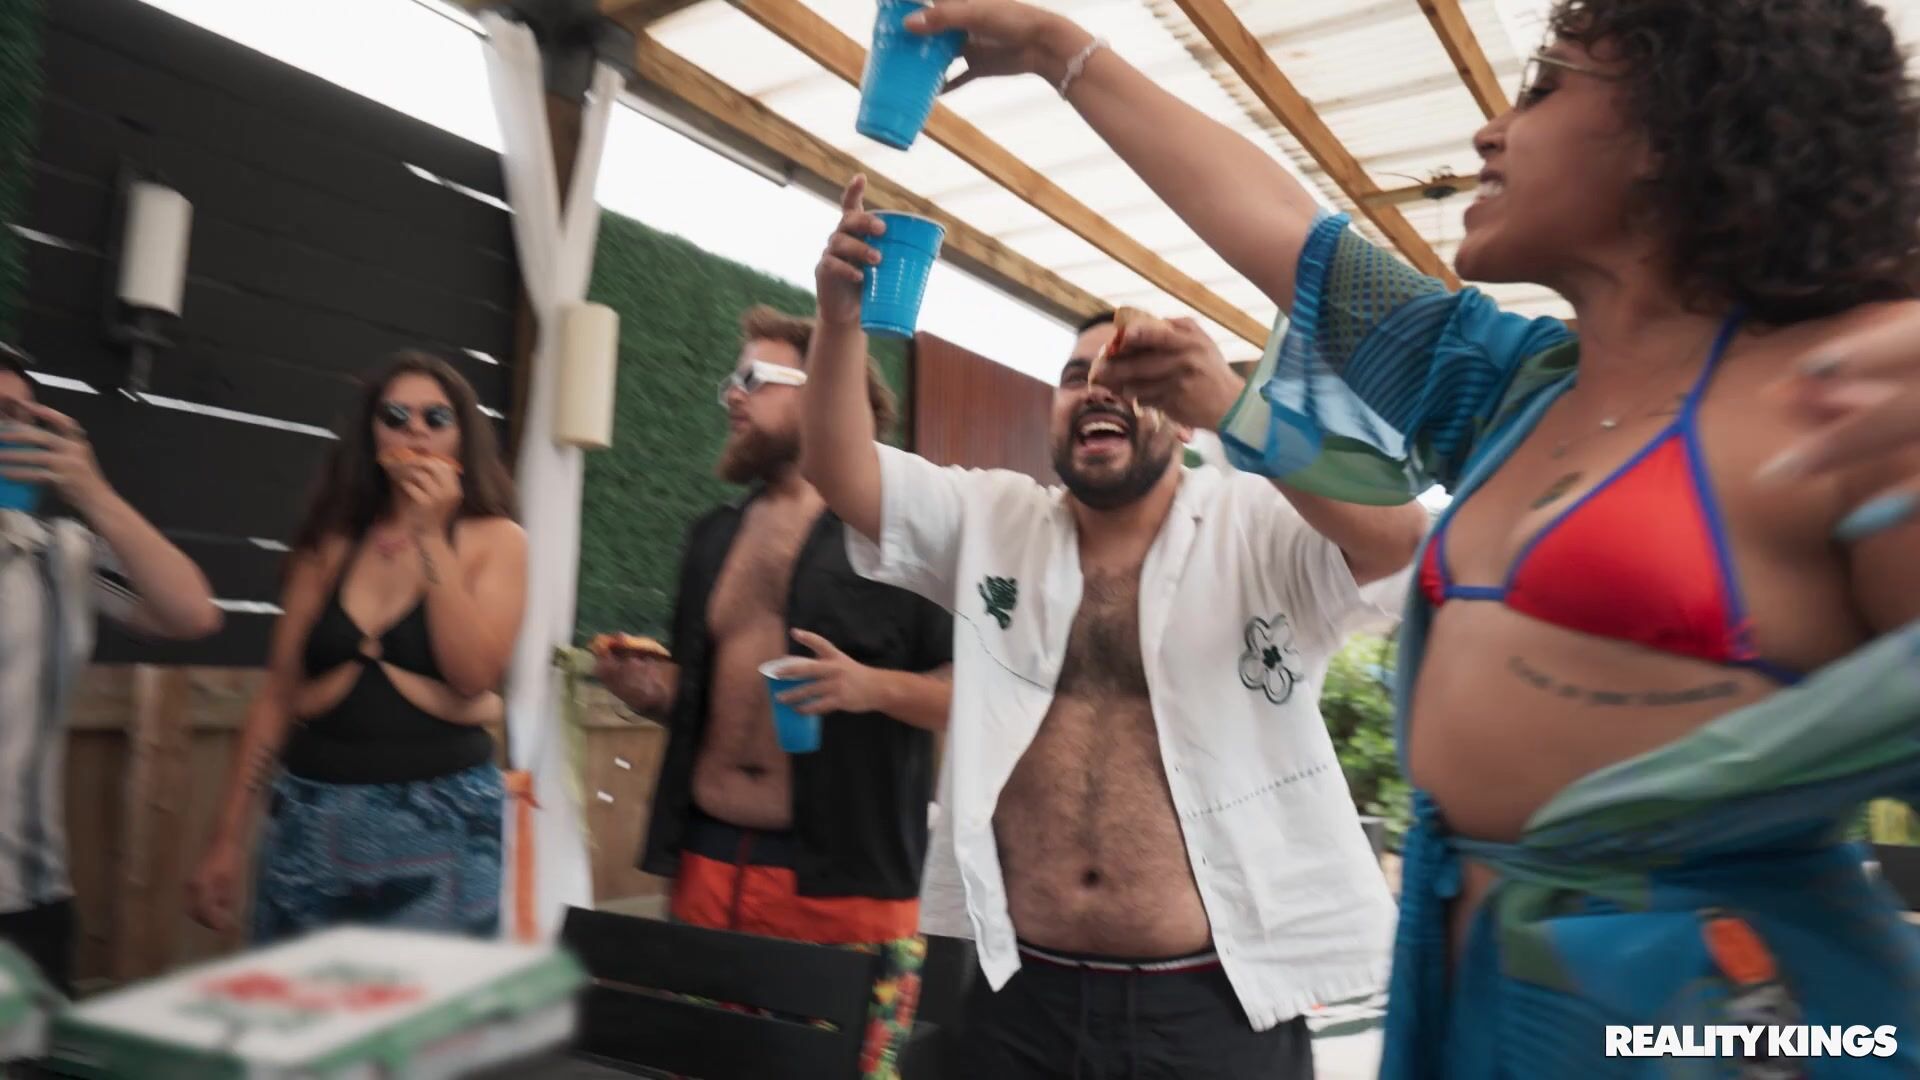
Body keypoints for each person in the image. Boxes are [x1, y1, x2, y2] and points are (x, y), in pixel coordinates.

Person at [895, 0, 1920, 1073]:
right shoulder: (1509, 390)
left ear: (1679, 129)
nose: (1489, 132)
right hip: (1468, 1015)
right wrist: (1058, 48)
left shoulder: (1846, 402)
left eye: (1545, 87)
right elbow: (1292, 234)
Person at [806, 178, 1429, 1077]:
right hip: (1021, 995)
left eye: (1129, 378)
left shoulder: (1259, 525)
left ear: (1182, 419)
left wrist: (1237, 407)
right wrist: (837, 323)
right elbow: (844, 474)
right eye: (1075, 378)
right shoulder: (995, 519)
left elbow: (1399, 540)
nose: (1097, 389)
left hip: (1210, 1007)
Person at [599, 305, 954, 1080]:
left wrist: (872, 687)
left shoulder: (907, 537)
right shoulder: (713, 537)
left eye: (754, 379)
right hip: (708, 868)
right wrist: (652, 692)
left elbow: (971, 692)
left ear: (828, 389)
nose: (732, 395)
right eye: (733, 380)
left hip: (845, 887)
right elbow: (705, 693)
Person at [188, 351, 526, 944]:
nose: (415, 430)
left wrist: (430, 533)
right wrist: (227, 838)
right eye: (395, 416)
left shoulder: (497, 540)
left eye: (436, 417)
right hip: (311, 813)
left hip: (442, 818)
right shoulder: (331, 544)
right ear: (372, 435)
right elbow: (279, 694)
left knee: (426, 1005)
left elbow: (473, 674)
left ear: (462, 435)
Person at [0, 341, 221, 993]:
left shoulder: (57, 553)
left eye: (23, 414)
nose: (13, 427)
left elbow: (191, 612)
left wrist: (93, 493)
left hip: (26, 897)